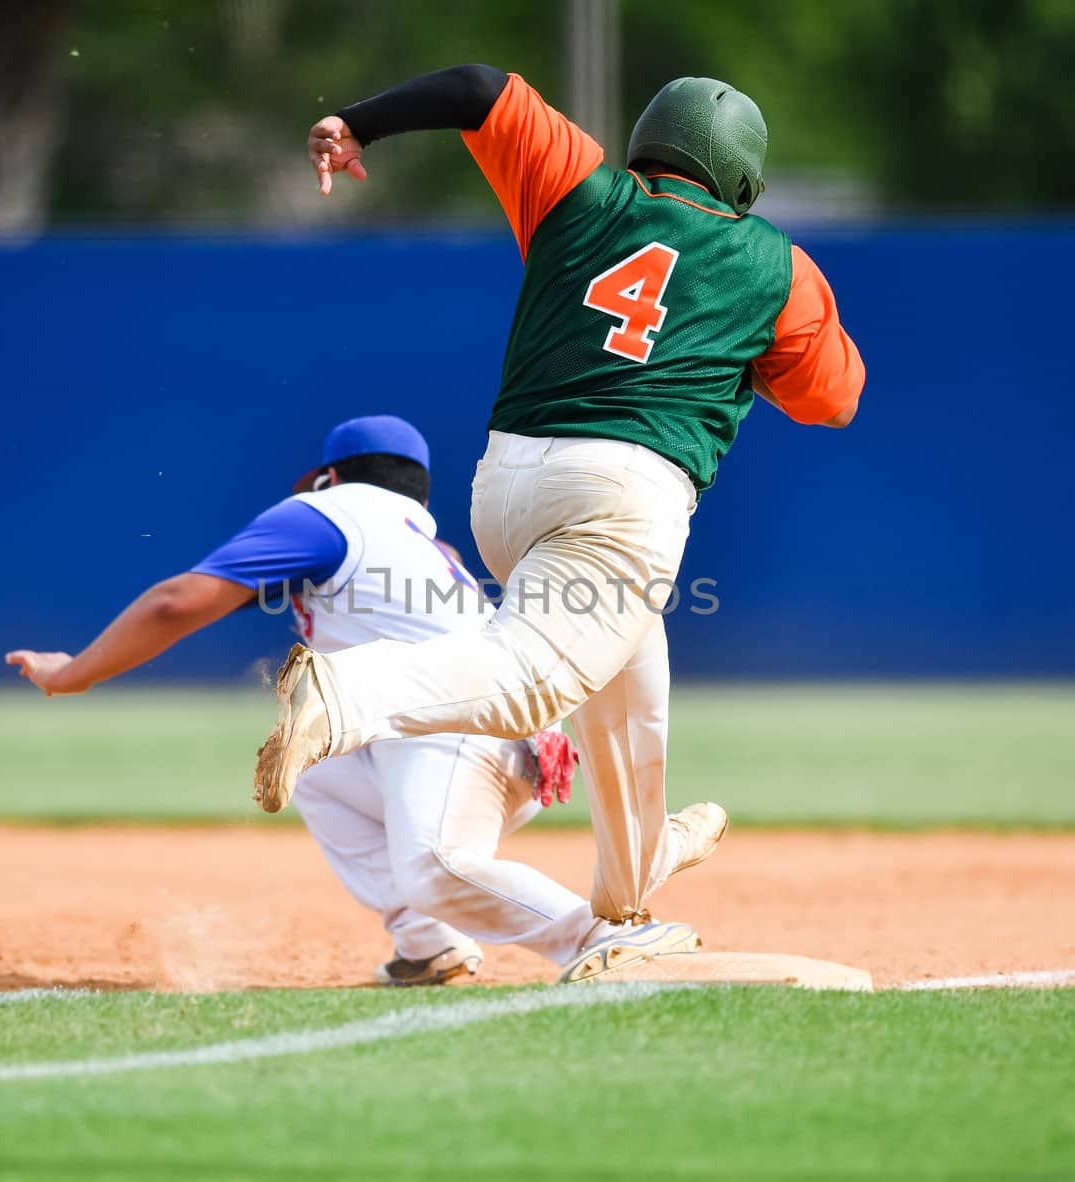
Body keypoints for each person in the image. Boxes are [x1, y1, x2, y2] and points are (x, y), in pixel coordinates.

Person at [256, 67, 865, 979]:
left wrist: (360, 125)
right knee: (532, 682)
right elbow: (834, 402)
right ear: (743, 186)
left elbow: (476, 87)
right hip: (625, 496)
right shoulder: (776, 265)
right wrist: (747, 349)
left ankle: (629, 896)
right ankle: (344, 698)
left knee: (629, 702)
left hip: (510, 482)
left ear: (646, 147)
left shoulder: (579, 185)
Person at [6, 415, 715, 985]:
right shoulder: (421, 540)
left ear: (330, 476)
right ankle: (429, 943)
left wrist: (77, 672)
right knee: (312, 760)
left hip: (461, 731)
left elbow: (176, 602)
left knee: (433, 863)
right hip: (501, 739)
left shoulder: (329, 513)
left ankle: (607, 939)